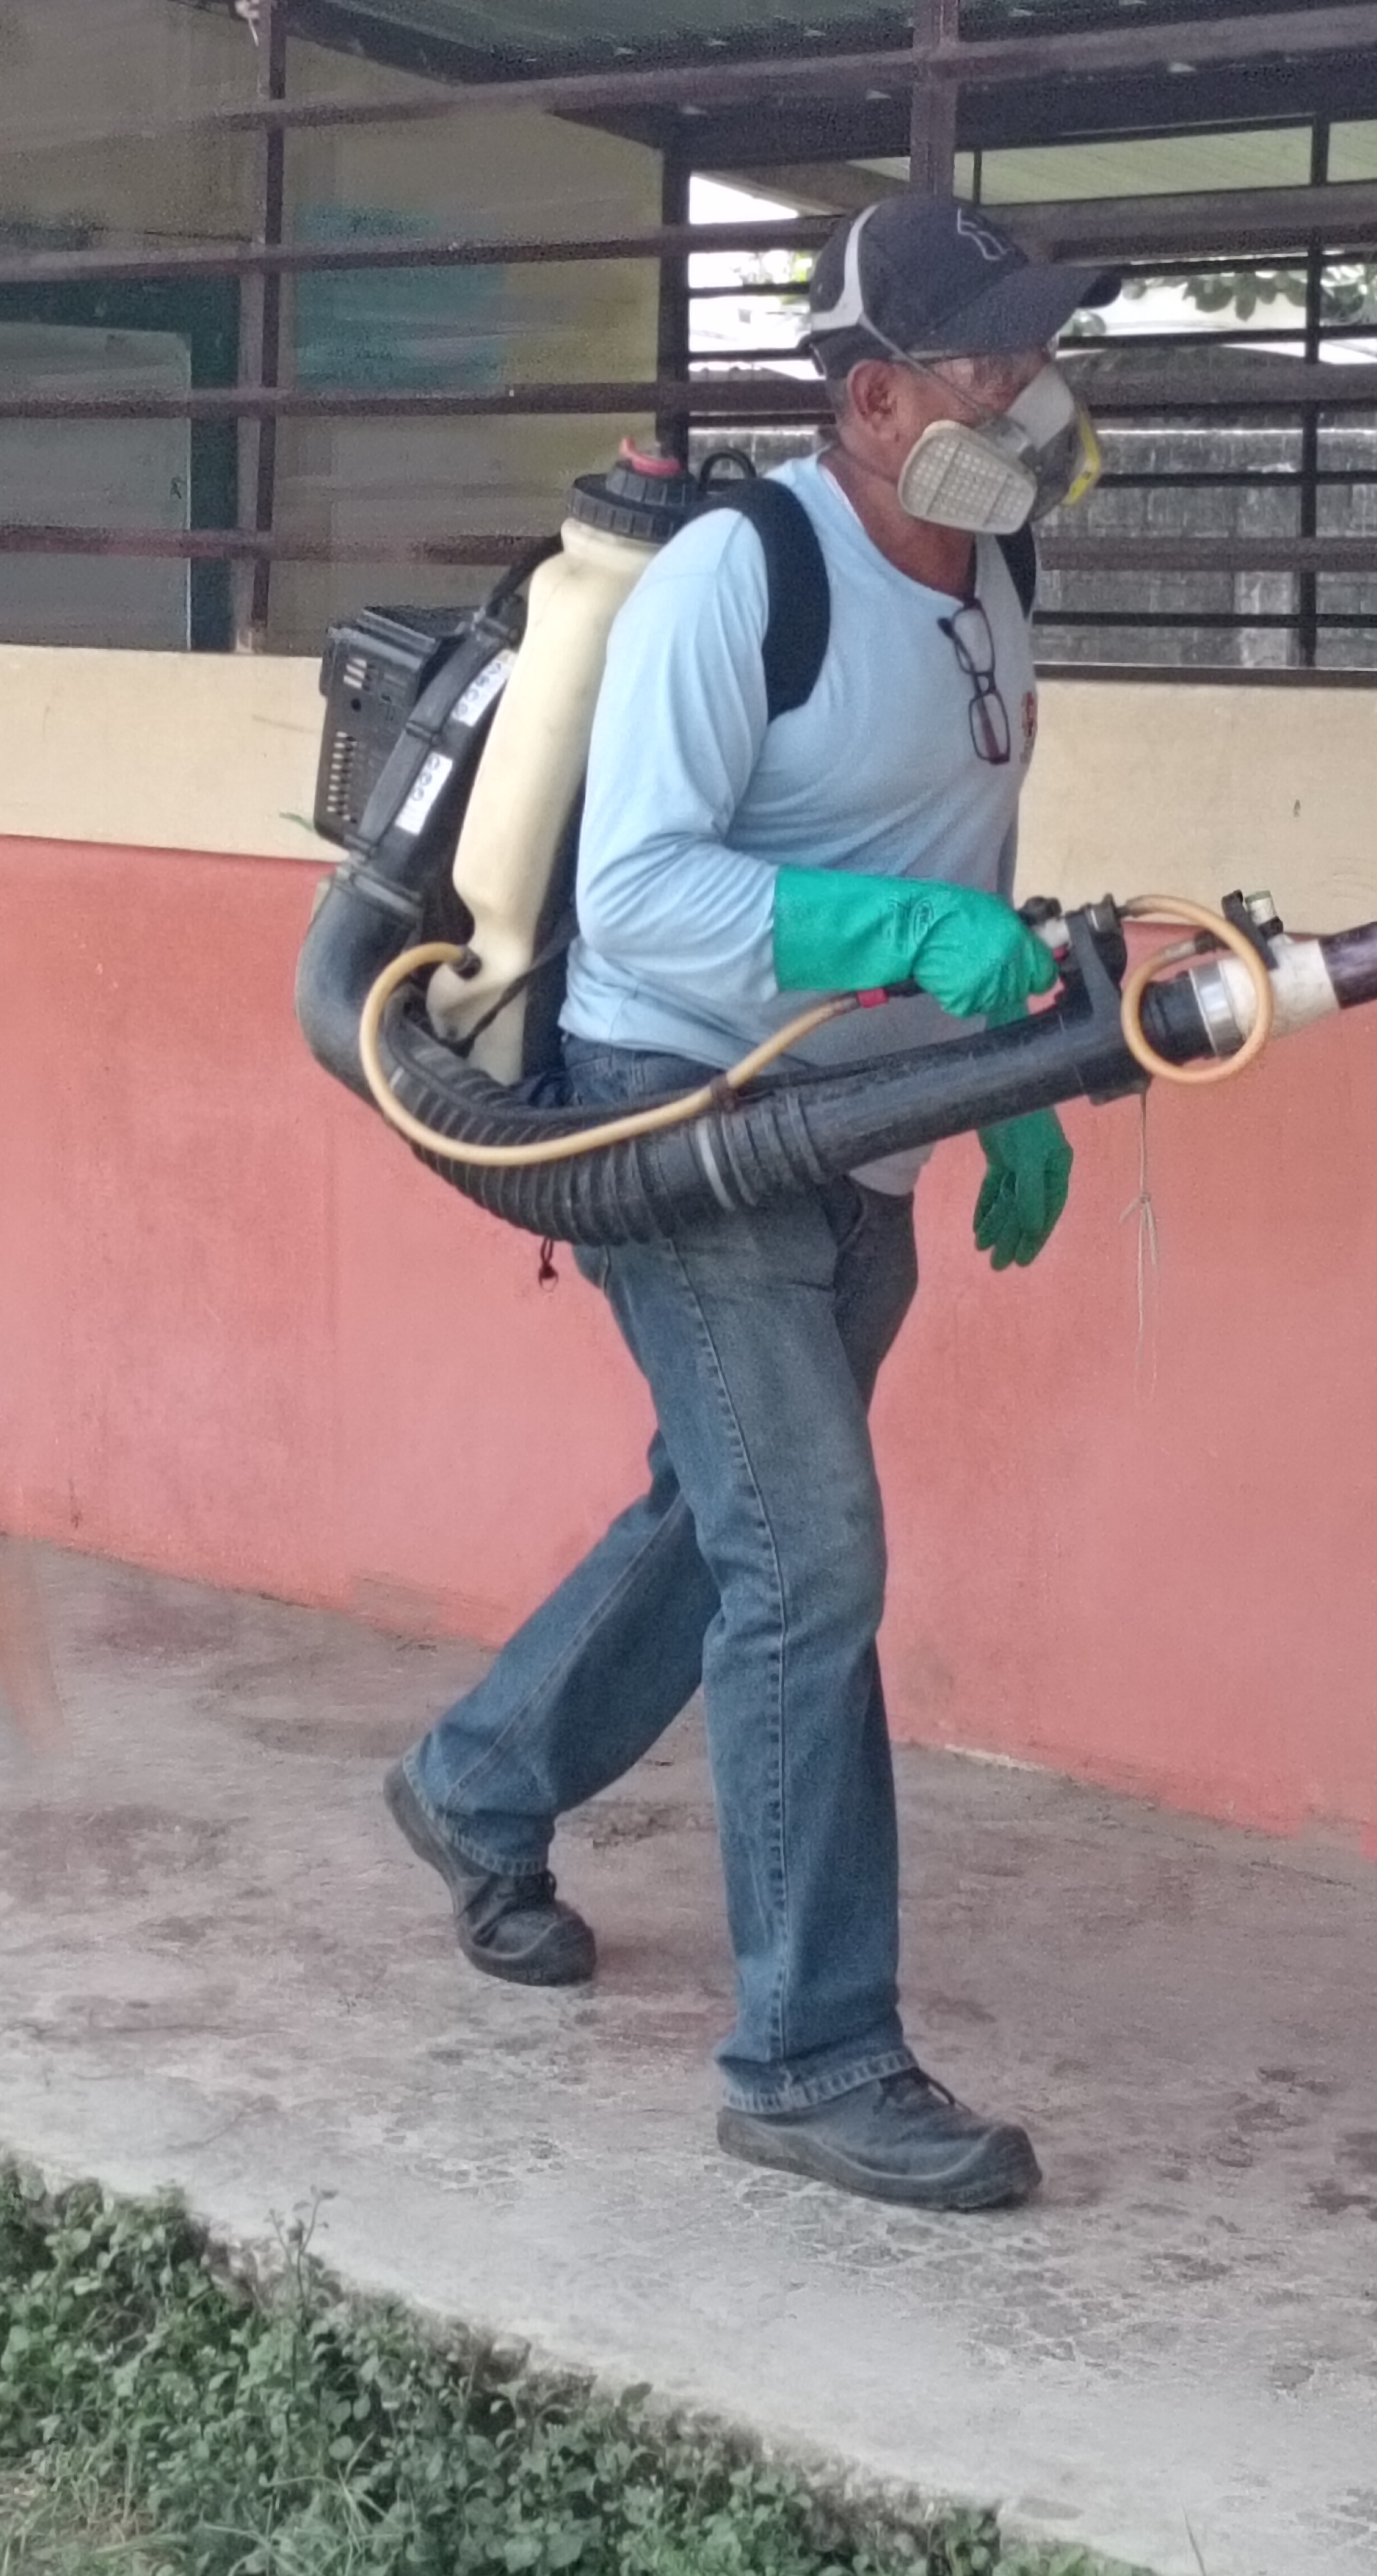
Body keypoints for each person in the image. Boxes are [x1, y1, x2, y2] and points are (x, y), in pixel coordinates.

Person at [386, 191, 1110, 2213]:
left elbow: (957, 841)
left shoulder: (994, 567)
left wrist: (1009, 1073)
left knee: (728, 1528)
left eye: (1041, 360)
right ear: (873, 401)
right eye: (991, 368)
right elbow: (638, 898)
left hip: (865, 1126)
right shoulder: (743, 573)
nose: (1035, 401)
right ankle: (813, 2055)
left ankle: (478, 1784)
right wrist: (903, 935)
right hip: (683, 1114)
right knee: (810, 1561)